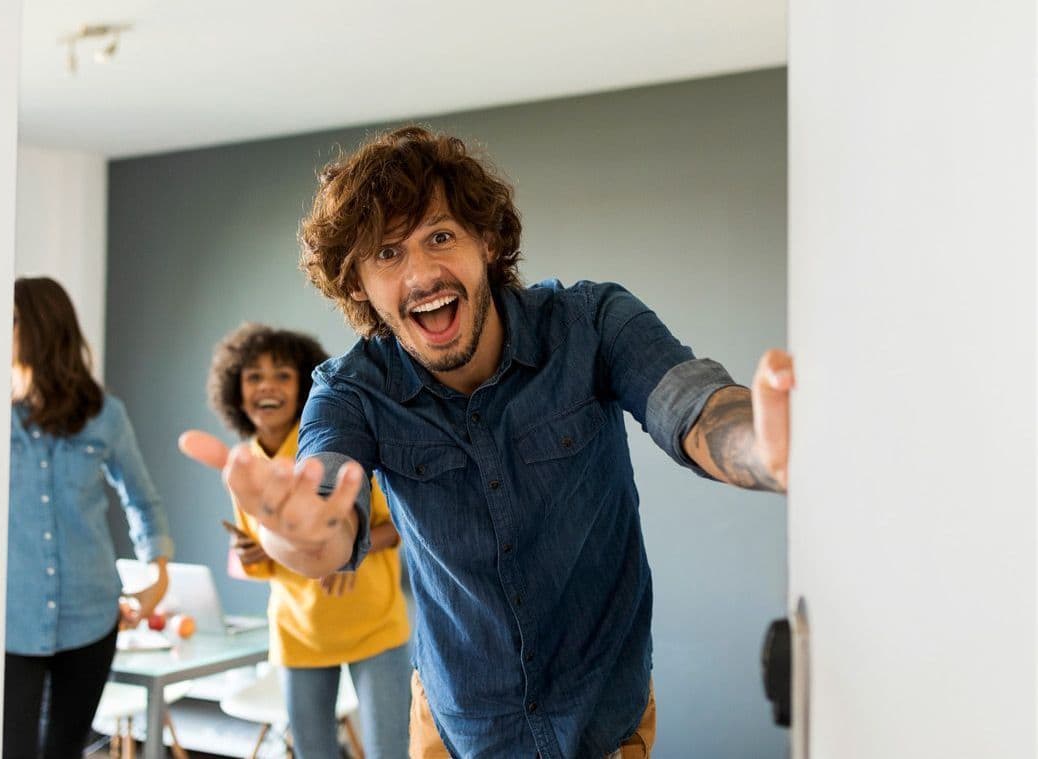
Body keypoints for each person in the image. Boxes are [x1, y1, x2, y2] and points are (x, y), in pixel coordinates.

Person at [179, 126, 794, 759]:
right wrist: (298, 534)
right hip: (457, 732)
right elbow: (327, 509)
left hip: (603, 723)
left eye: (440, 237)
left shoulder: (592, 323)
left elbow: (691, 404)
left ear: (487, 241)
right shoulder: (350, 392)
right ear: (357, 282)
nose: (422, 274)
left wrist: (765, 447)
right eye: (387, 253)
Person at [206, 323, 411, 759]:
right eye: (254, 376)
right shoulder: (244, 467)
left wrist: (345, 552)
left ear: (302, 386)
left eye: (282, 375)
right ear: (235, 390)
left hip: (375, 627)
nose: (268, 386)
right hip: (298, 633)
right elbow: (261, 562)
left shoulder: (330, 445)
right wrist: (250, 553)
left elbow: (396, 527)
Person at [5, 276, 174, 759]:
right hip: (11, 619)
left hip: (91, 618)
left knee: (64, 751)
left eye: (11, 320)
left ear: (40, 327)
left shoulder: (104, 415)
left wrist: (158, 573)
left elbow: (142, 499)